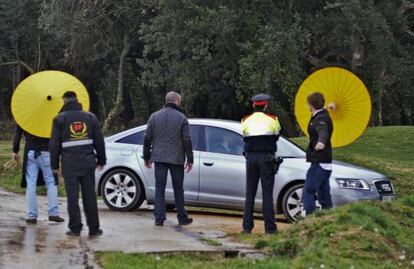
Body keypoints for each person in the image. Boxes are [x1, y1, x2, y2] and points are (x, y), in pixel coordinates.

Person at [49, 91, 106, 236]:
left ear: (64, 101)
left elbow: (54, 145)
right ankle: (94, 228)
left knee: (72, 198)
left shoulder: (59, 119)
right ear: (77, 100)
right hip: (88, 163)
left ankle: (75, 228)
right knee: (90, 196)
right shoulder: (90, 117)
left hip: (69, 164)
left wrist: (54, 165)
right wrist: (101, 160)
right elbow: (99, 141)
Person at [143, 91, 194, 226]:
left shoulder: (154, 117)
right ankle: (182, 217)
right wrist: (190, 159)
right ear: (177, 101)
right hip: (176, 158)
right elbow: (186, 140)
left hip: (159, 158)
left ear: (166, 101)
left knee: (159, 188)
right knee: (178, 188)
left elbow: (147, 138)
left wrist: (147, 157)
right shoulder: (182, 118)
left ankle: (159, 218)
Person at [241, 93, 281, 234]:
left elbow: (245, 137)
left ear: (253, 105)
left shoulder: (245, 120)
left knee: (249, 193)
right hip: (266, 159)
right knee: (267, 194)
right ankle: (270, 228)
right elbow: (276, 136)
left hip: (251, 159)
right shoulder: (273, 119)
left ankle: (246, 228)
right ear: (266, 105)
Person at [12, 126, 64, 224]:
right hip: (48, 152)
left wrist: (15, 150)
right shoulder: (50, 116)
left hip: (31, 152)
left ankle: (31, 215)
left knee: (31, 183)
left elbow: (18, 133)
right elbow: (58, 135)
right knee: (51, 182)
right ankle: (53, 213)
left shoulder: (26, 116)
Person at [302, 92, 334, 216]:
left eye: (308, 104)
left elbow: (323, 131)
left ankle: (310, 222)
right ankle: (329, 221)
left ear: (311, 105)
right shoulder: (321, 114)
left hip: (319, 162)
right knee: (324, 195)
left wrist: (321, 142)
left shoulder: (321, 119)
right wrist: (328, 107)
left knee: (308, 192)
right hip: (324, 162)